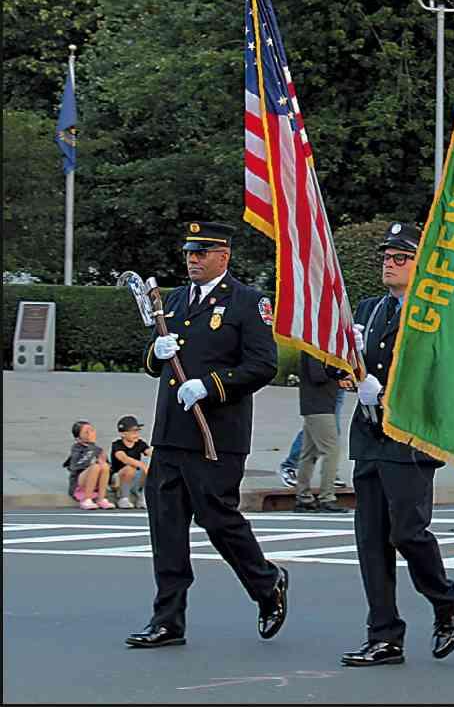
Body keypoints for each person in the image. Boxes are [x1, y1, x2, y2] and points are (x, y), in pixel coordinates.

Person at [126, 221, 288, 649]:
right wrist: (155, 353)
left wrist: (212, 385)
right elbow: (155, 361)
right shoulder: (175, 300)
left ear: (223, 256)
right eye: (189, 253)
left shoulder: (247, 302)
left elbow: (263, 365)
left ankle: (266, 582)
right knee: (166, 526)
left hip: (216, 433)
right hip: (171, 432)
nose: (192, 260)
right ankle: (167, 619)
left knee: (218, 519)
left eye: (201, 253)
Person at [340, 222, 454, 668]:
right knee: (370, 540)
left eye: (401, 258)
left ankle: (446, 598)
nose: (389, 264)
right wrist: (345, 365)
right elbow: (340, 368)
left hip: (410, 436)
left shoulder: (435, 314)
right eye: (386, 257)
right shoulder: (369, 309)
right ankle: (384, 635)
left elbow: (442, 377)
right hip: (369, 436)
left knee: (408, 533)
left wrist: (386, 392)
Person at [293, 353, 350, 513]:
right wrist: (338, 371)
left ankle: (303, 497)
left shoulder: (315, 346)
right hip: (319, 405)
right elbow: (317, 375)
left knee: (309, 453)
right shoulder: (315, 347)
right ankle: (327, 497)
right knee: (331, 451)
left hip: (316, 404)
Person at [278, 383, 350, 489]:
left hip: (338, 387)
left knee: (329, 429)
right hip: (322, 387)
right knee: (320, 428)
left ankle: (329, 472)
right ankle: (289, 465)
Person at [64, 420, 114, 510]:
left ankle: (101, 498)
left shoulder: (98, 449)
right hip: (79, 482)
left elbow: (109, 467)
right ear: (78, 438)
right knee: (95, 467)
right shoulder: (76, 448)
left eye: (92, 430)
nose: (90, 433)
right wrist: (91, 447)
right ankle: (86, 499)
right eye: (86, 432)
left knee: (104, 466)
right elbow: (78, 466)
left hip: (95, 483)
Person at [110, 414, 152, 509]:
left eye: (137, 431)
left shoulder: (140, 443)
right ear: (123, 434)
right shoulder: (117, 445)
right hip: (118, 478)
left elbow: (150, 452)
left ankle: (142, 497)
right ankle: (123, 498)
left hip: (134, 477)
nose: (136, 434)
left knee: (150, 470)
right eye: (133, 432)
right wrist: (142, 465)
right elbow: (123, 458)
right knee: (130, 468)